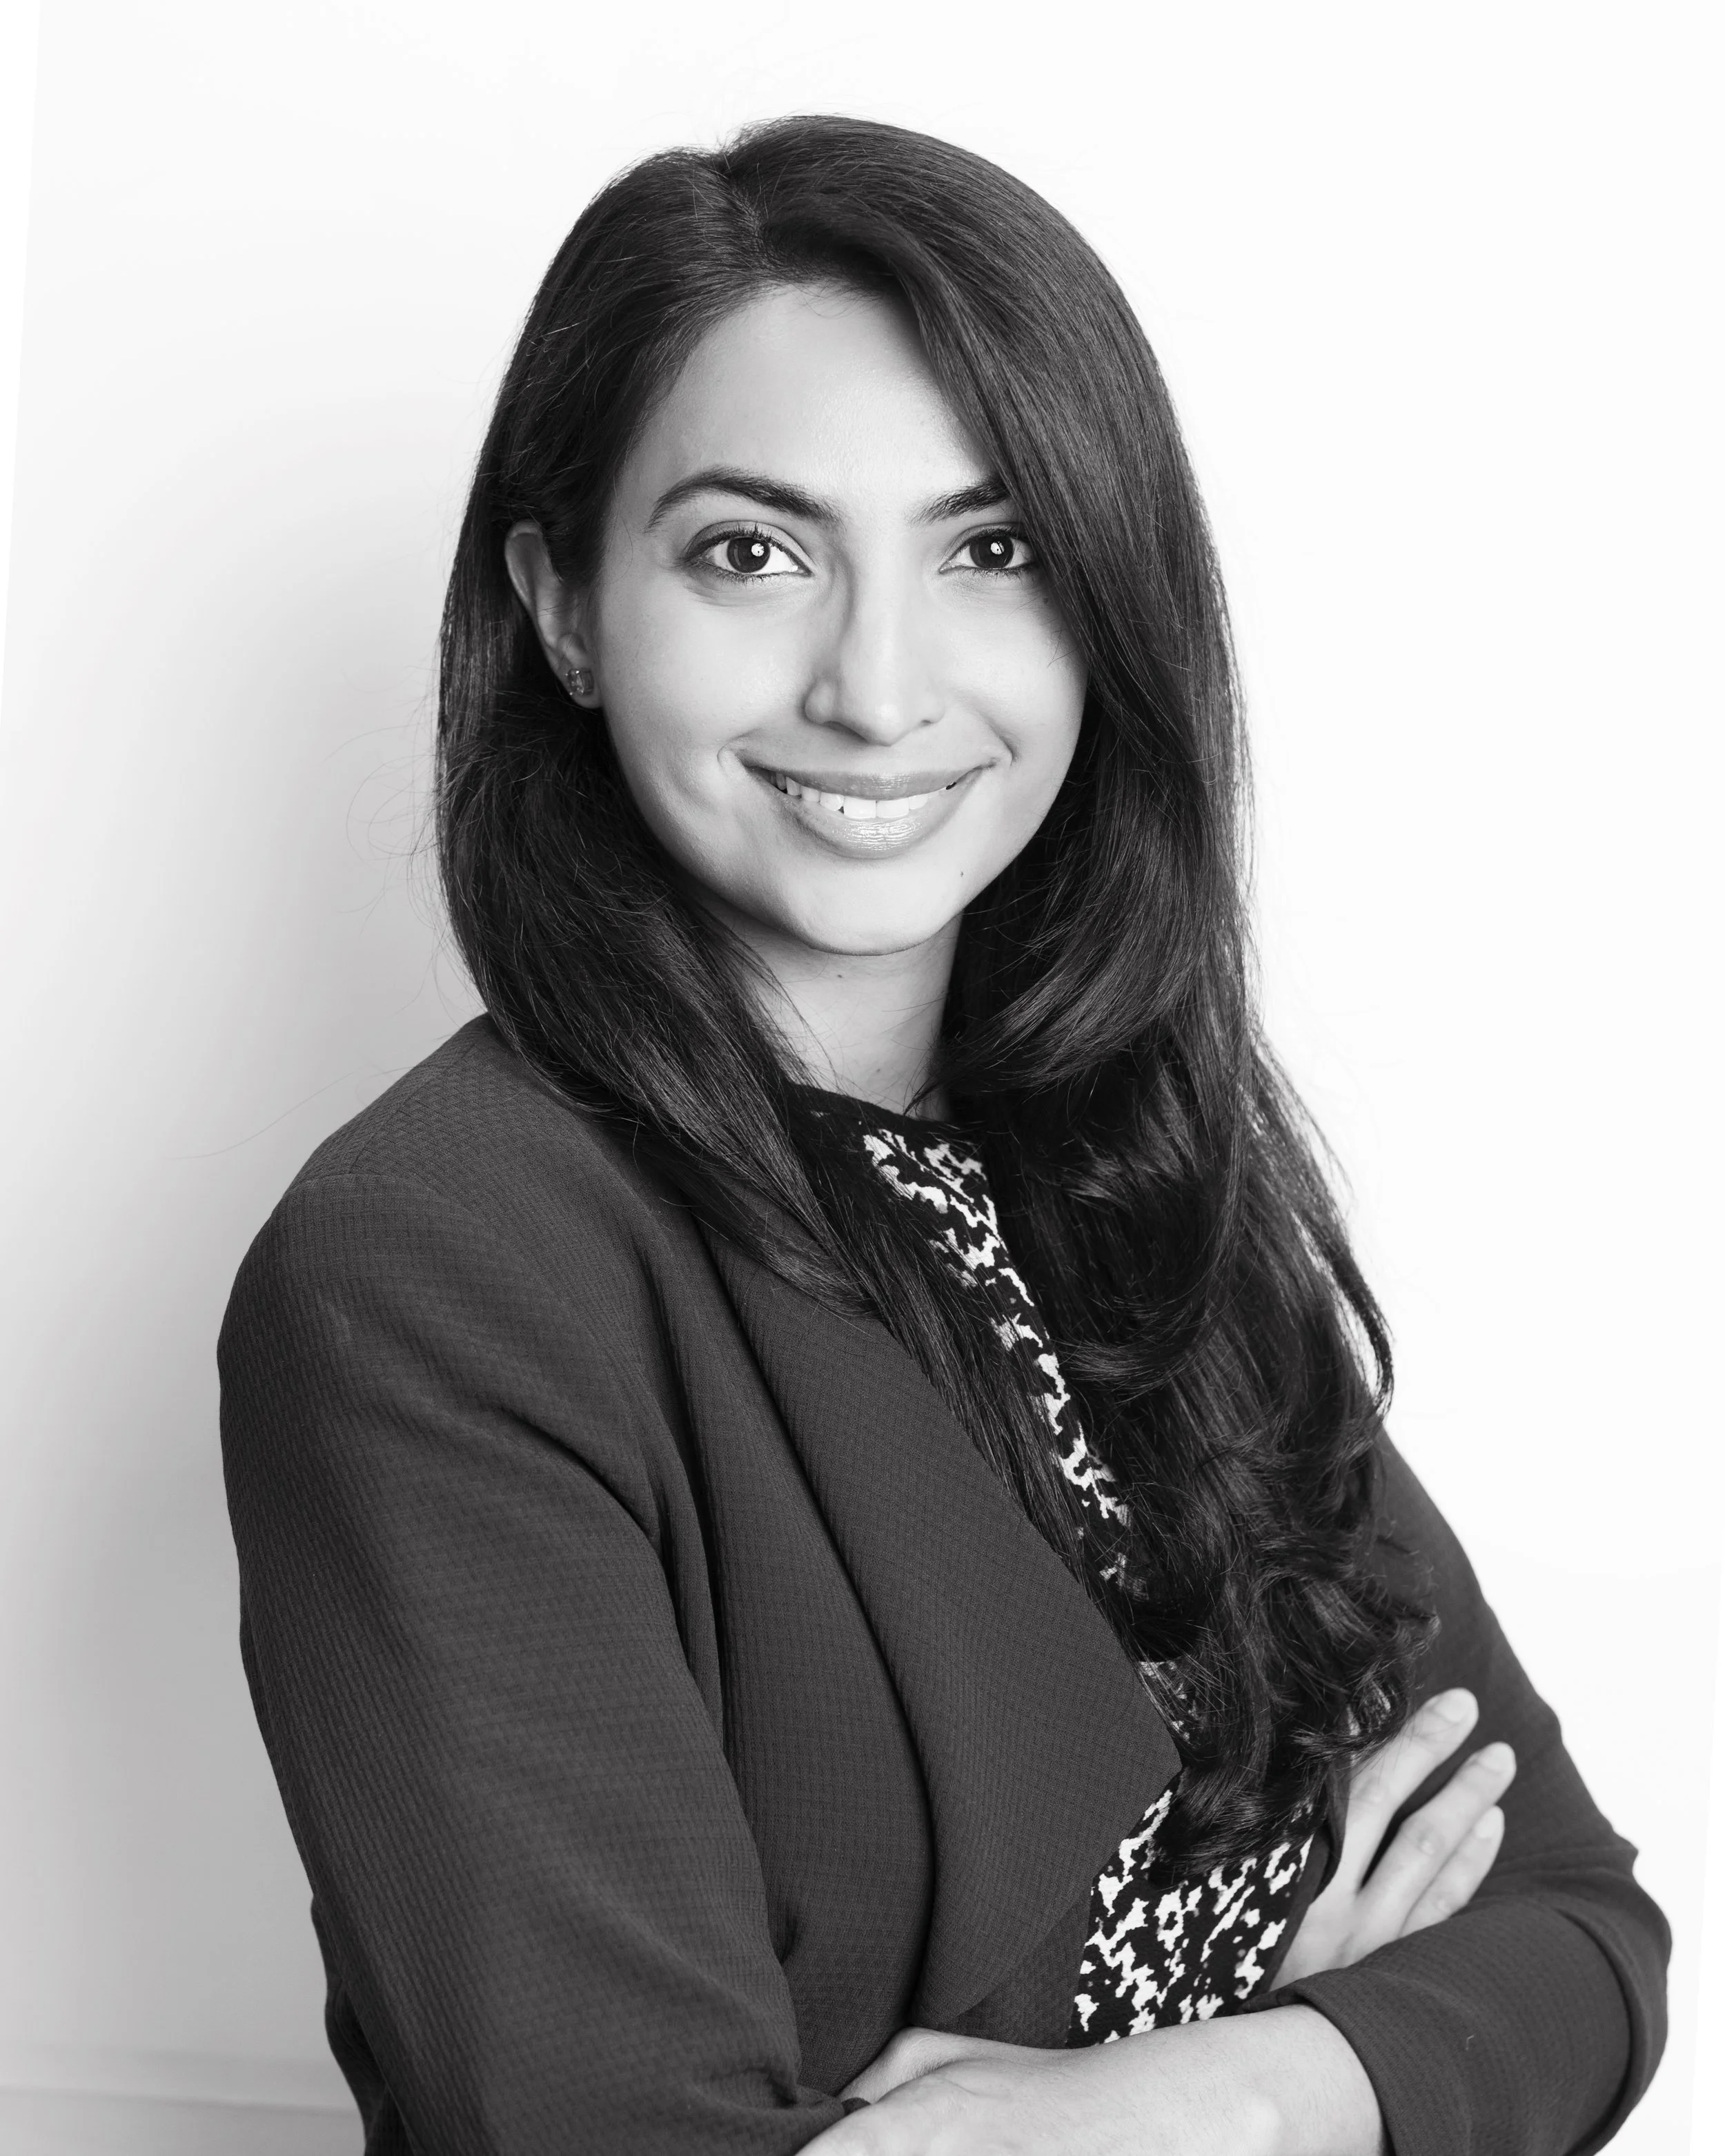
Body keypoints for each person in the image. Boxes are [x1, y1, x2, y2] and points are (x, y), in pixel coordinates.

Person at [219, 117, 1668, 2155]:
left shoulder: (1133, 1176)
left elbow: (1580, 1937)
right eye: (750, 550)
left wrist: (1188, 2098)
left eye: (990, 549)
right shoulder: (438, 1267)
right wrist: (1332, 2017)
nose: (877, 685)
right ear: (559, 608)